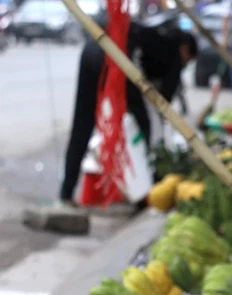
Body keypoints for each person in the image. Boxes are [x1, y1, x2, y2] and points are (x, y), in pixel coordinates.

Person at [60, 24, 197, 205]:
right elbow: (164, 101)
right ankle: (151, 187)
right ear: (186, 49)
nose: (185, 65)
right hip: (118, 58)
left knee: (82, 123)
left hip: (93, 49)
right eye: (188, 60)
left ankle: (66, 192)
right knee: (145, 125)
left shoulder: (155, 36)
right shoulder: (173, 52)